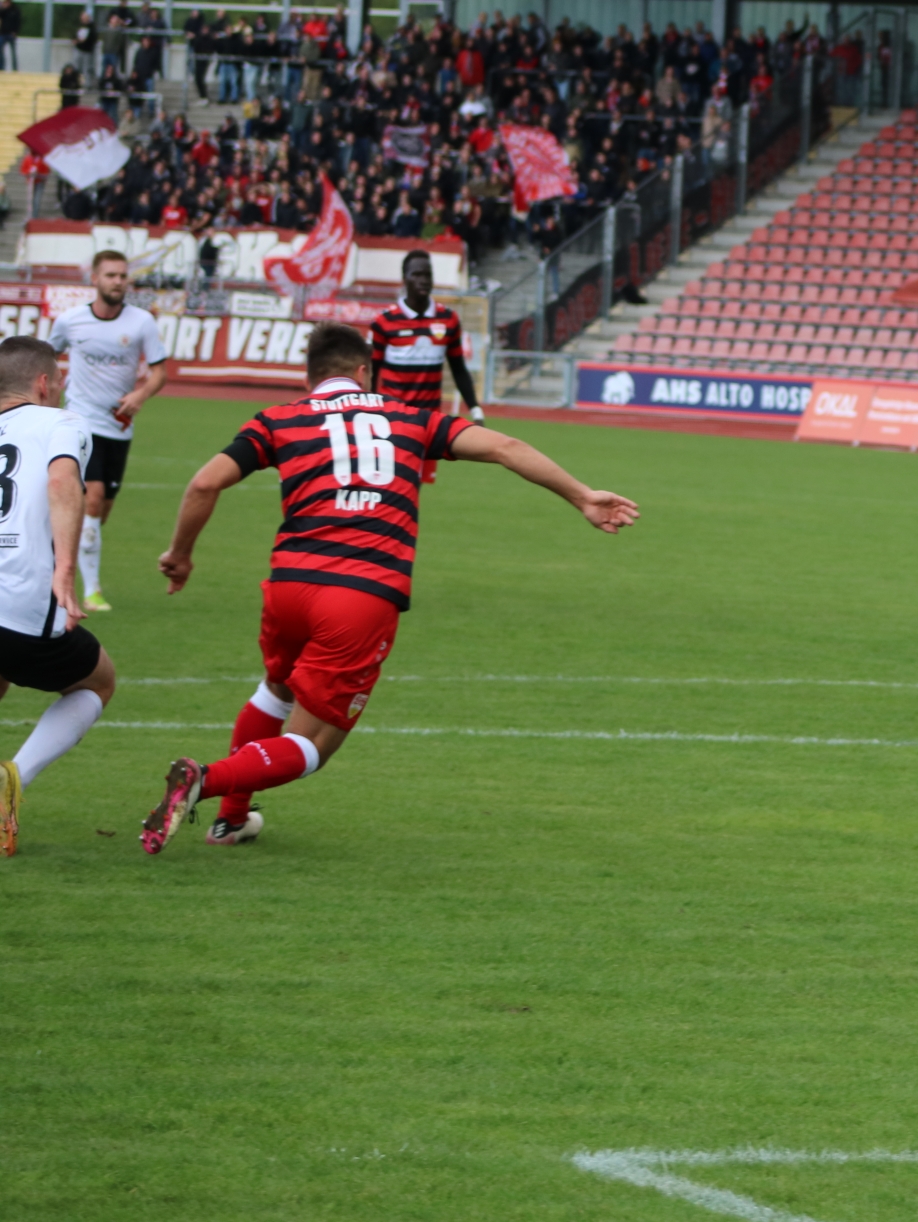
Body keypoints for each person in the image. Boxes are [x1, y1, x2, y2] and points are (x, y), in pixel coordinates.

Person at [139, 323, 637, 851]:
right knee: (312, 744)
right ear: (364, 373)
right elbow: (505, 446)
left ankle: (232, 822)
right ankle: (205, 780)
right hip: (360, 594)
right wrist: (582, 495)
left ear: (309, 379)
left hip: (289, 586)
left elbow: (204, 482)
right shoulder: (409, 418)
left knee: (276, 689)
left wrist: (181, 555)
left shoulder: (278, 419)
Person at [0, 337, 117, 857]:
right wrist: (66, 567)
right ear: (44, 384)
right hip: (22, 599)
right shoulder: (62, 422)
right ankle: (13, 781)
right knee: (98, 681)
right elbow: (63, 480)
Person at [47, 250, 168, 614]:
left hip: (119, 428)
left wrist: (140, 395)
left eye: (122, 275)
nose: (118, 281)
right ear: (95, 279)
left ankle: (58, 557)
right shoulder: (70, 321)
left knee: (99, 514)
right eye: (111, 275)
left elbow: (160, 372)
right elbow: (47, 359)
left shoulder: (142, 322)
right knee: (93, 499)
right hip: (80, 421)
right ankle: (91, 591)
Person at [368, 249, 481, 485]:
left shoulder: (448, 319)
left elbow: (458, 369)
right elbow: (371, 370)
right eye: (417, 274)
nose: (423, 280)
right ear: (405, 279)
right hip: (392, 420)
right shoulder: (384, 321)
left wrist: (476, 410)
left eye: (427, 274)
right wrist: (366, 409)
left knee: (413, 485)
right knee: (388, 483)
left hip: (427, 423)